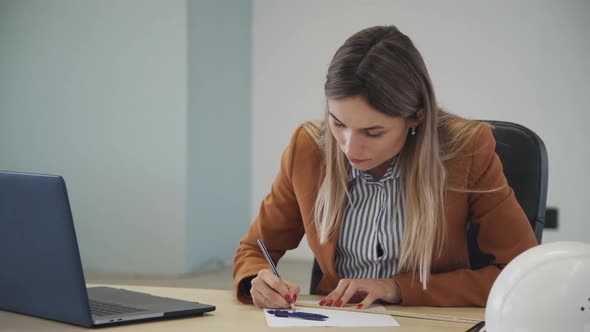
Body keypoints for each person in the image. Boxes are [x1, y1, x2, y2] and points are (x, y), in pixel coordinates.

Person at [232, 25, 537, 309]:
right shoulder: (309, 149)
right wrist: (258, 280)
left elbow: (523, 274)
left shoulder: (467, 150)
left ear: (415, 117)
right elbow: (254, 250)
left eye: (372, 132)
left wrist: (396, 288)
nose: (348, 147)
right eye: (338, 123)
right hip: (335, 321)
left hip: (427, 321)